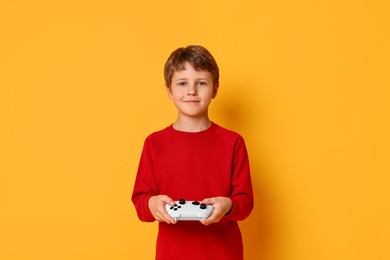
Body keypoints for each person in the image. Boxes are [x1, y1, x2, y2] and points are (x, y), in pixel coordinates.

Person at [132, 45, 254, 260]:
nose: (191, 91)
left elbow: (245, 203)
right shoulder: (154, 143)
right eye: (182, 83)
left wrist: (228, 205)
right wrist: (151, 204)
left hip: (223, 254)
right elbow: (140, 200)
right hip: (172, 254)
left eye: (201, 83)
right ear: (169, 90)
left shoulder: (233, 142)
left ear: (215, 89)